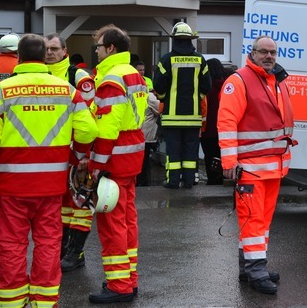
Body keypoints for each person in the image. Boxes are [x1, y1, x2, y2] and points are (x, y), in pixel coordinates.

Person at [0, 33, 98, 307]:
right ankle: (44, 301)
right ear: (44, 57)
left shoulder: (0, 92)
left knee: (11, 244)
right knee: (48, 243)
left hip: (11, 185)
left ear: (18, 57)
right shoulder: (67, 91)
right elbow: (89, 129)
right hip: (52, 185)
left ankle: (12, 301)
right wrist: (77, 155)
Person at [217, 35, 295, 295]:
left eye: (273, 52)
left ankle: (250, 267)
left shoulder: (276, 81)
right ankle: (256, 270)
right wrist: (229, 161)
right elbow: (227, 122)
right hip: (250, 168)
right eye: (264, 51)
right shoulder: (239, 81)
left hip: (273, 166)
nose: (269, 56)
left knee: (261, 222)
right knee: (252, 221)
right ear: (252, 53)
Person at [87, 24, 147, 304]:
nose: (96, 51)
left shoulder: (111, 79)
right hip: (131, 157)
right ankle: (129, 279)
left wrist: (95, 165)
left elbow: (107, 129)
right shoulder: (133, 74)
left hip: (114, 159)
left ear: (110, 48)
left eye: (98, 47)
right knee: (127, 220)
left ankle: (119, 285)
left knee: (111, 225)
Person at [43, 33, 97, 273]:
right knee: (62, 205)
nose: (49, 53)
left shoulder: (78, 76)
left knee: (81, 204)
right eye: (46, 49)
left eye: (54, 48)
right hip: (54, 154)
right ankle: (65, 250)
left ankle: (76, 253)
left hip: (77, 152)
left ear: (65, 51)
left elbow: (91, 116)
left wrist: (85, 153)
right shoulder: (39, 75)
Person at [153, 22, 211, 189]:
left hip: (172, 117)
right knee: (190, 151)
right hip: (193, 117)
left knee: (173, 150)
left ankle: (172, 181)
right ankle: (188, 181)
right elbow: (206, 86)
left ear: (175, 40)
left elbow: (158, 86)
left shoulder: (166, 60)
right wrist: (197, 98)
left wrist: (164, 99)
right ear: (190, 40)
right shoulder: (200, 60)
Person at [201, 58, 228, 185]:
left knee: (210, 156)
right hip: (225, 129)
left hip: (208, 130)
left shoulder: (206, 88)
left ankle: (213, 179)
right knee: (223, 155)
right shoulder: (227, 86)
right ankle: (223, 177)